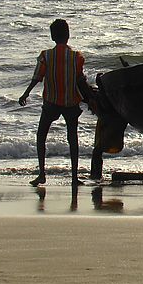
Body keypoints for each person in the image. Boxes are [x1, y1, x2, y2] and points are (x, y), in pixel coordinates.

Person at [19, 19, 91, 187]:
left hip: (51, 102)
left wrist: (26, 93)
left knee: (41, 135)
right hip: (70, 103)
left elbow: (37, 78)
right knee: (72, 138)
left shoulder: (46, 56)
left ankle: (42, 174)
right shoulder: (76, 57)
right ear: (68, 35)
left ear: (52, 36)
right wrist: (90, 99)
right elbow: (80, 80)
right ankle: (74, 177)